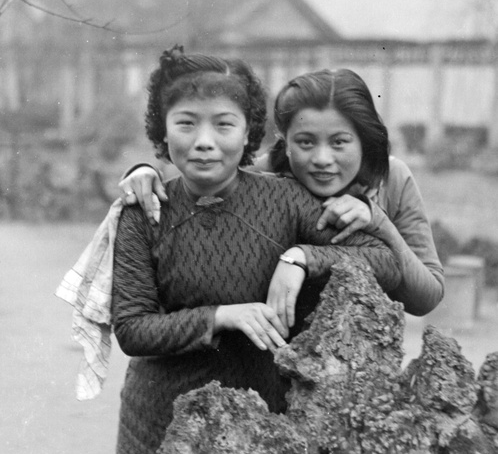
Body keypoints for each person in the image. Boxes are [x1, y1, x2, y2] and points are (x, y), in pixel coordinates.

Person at [110, 45, 401, 454]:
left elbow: (385, 260)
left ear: (249, 133)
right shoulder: (145, 209)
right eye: (186, 124)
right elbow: (132, 329)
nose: (204, 143)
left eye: (223, 125)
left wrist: (302, 258)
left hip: (266, 423)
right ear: (161, 131)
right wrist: (223, 316)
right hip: (158, 418)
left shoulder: (284, 199)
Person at [121, 68, 444, 317]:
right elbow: (198, 174)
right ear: (284, 141)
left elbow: (426, 298)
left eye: (339, 142)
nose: (321, 159)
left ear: (364, 140)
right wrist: (144, 172)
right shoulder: (264, 175)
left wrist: (376, 219)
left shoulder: (393, 178)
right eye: (305, 142)